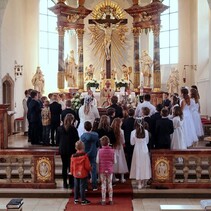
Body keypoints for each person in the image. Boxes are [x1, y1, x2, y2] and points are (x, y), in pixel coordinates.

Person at [57, 114, 79, 189]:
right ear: (72, 120)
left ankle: (64, 183)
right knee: (71, 166)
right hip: (71, 149)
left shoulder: (59, 128)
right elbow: (77, 140)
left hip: (63, 149)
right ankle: (71, 183)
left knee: (64, 166)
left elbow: (57, 140)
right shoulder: (73, 129)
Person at [129, 120, 151, 189]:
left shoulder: (133, 132)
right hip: (144, 149)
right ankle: (144, 182)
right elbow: (147, 142)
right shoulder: (146, 132)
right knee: (144, 165)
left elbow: (132, 143)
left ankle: (139, 183)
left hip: (137, 149)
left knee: (138, 164)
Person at [96, 136, 116, 205]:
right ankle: (110, 200)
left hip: (102, 170)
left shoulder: (99, 151)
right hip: (110, 170)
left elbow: (97, 161)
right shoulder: (113, 151)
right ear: (109, 143)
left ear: (101, 143)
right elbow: (115, 161)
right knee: (110, 184)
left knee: (103, 184)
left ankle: (103, 200)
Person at [70, 141, 91, 205]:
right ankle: (83, 200)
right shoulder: (85, 156)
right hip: (83, 173)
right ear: (83, 147)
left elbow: (71, 165)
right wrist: (90, 169)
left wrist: (71, 172)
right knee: (82, 187)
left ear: (76, 148)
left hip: (76, 173)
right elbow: (87, 165)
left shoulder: (73, 156)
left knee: (76, 186)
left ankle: (76, 199)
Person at [80, 121, 99, 191]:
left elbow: (81, 145)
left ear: (84, 128)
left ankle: (85, 187)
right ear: (91, 127)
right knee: (93, 170)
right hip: (93, 153)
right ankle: (94, 186)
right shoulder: (96, 135)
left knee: (85, 170)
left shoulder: (82, 136)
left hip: (85, 154)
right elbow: (97, 144)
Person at [111, 118, 128, 183]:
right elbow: (123, 141)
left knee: (113, 162)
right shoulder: (121, 131)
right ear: (119, 123)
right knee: (121, 161)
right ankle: (122, 178)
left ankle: (114, 177)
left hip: (113, 147)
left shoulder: (111, 130)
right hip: (119, 147)